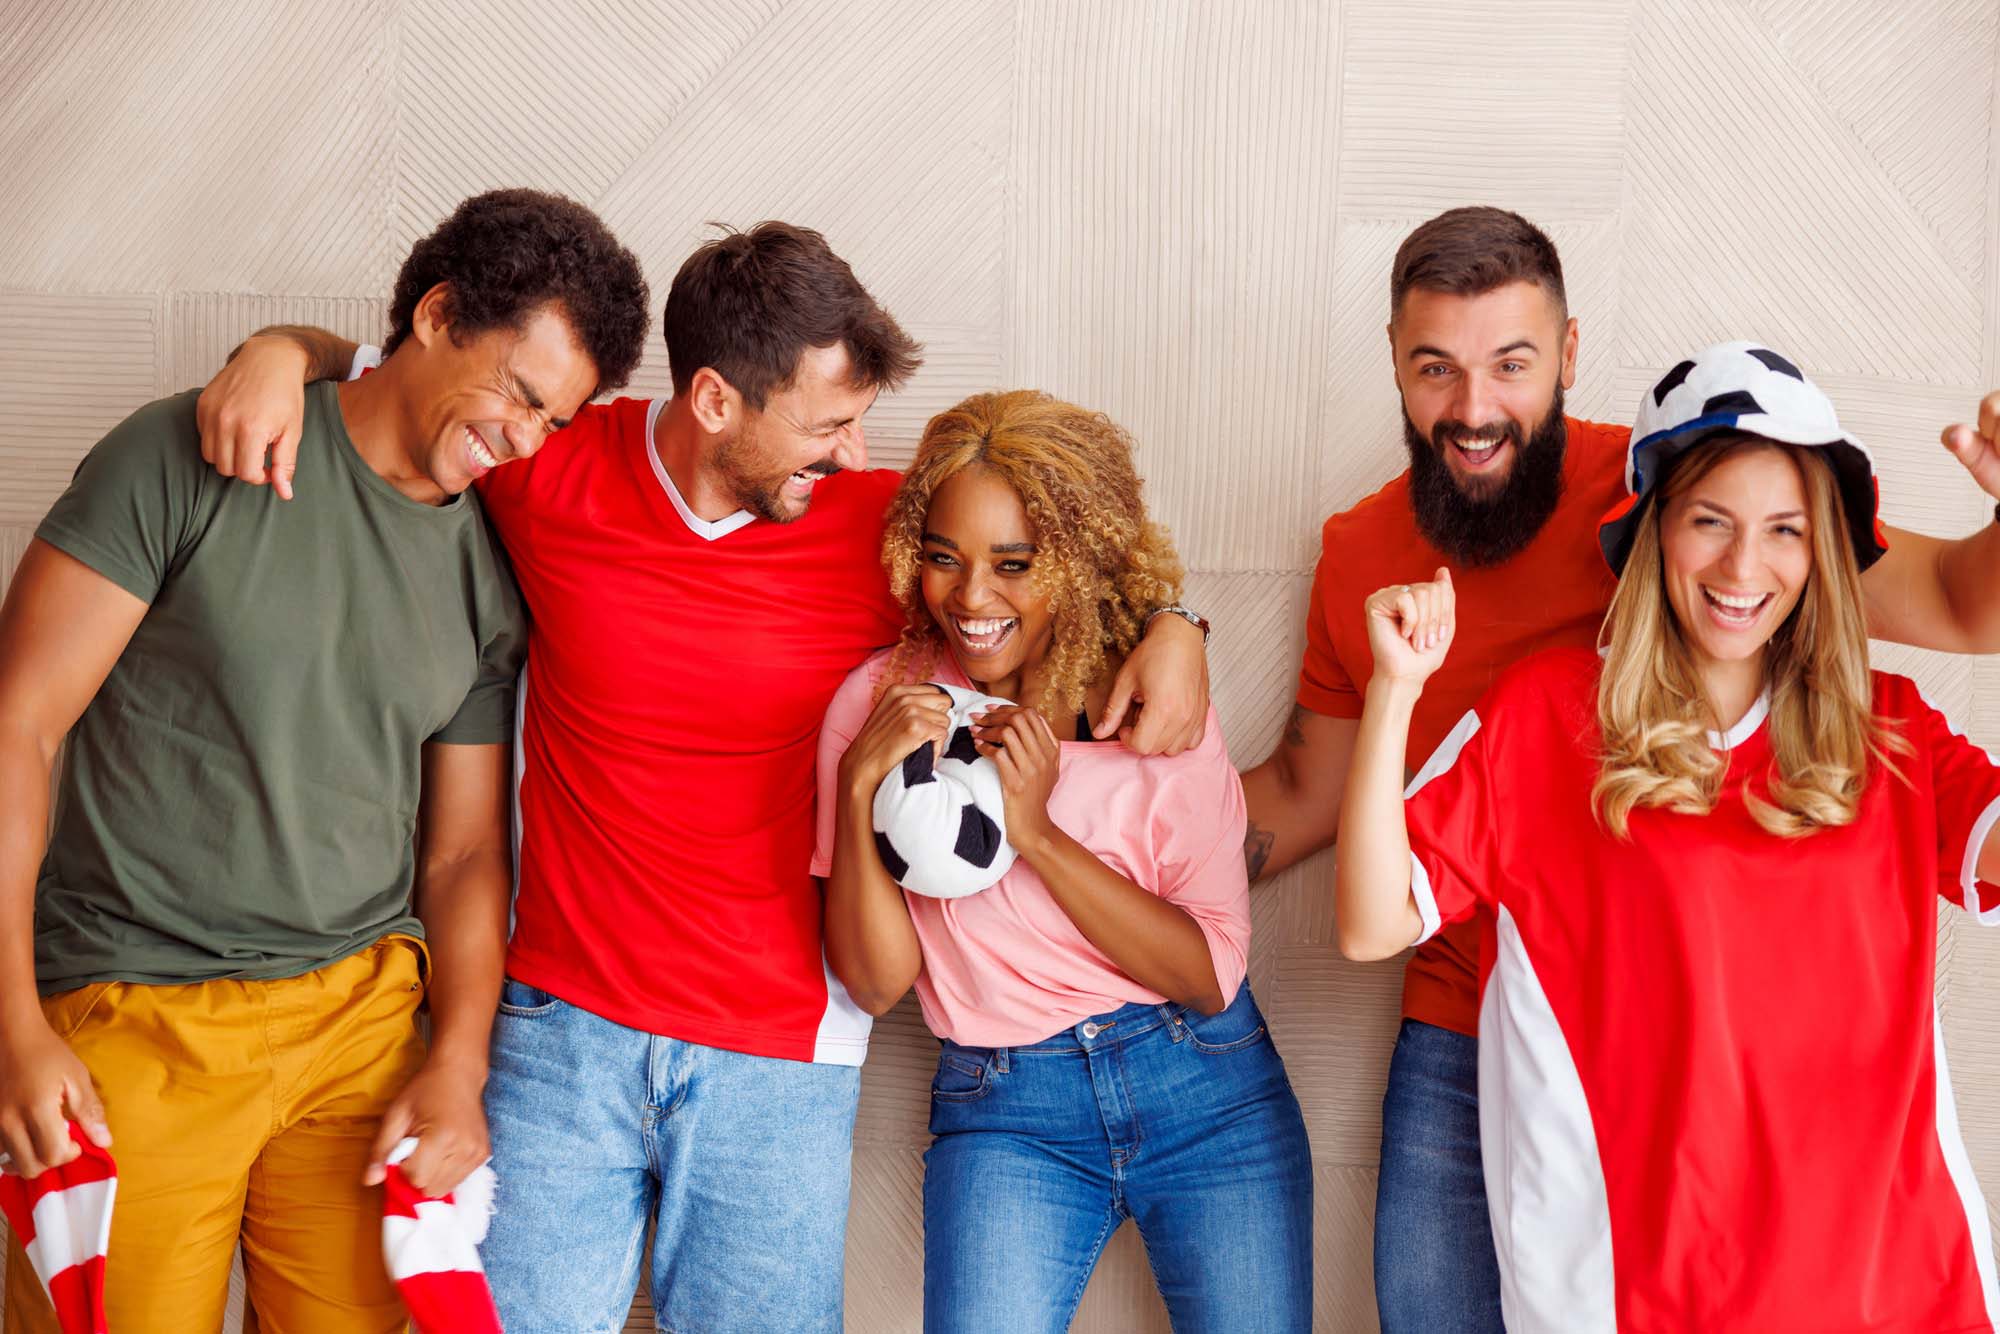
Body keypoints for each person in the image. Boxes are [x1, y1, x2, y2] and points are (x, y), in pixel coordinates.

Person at [194, 223, 1212, 1333]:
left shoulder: (878, 531)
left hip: (777, 1052)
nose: (855, 454)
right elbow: (407, 386)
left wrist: (1173, 621)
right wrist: (275, 350)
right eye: (826, 424)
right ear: (718, 401)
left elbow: (1045, 563)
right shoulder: (547, 465)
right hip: (558, 1029)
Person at [1238, 206, 2000, 1331]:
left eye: (1510, 362)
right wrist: (1097, 822)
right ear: (1395, 365)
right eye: (1435, 368)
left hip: (1736, 1092)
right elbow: (1306, 794)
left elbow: (1939, 599)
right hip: (1479, 1012)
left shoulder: (1674, 471)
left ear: (1568, 353)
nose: (1473, 406)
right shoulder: (1373, 564)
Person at [0, 188, 650, 1332]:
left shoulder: (484, 576)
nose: (525, 442)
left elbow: (457, 855)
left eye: (555, 421)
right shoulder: (189, 453)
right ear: (439, 315)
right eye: (520, 393)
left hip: (358, 1028)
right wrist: (12, 1022)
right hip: (136, 1010)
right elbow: (19, 728)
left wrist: (455, 1059)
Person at [813, 390, 1311, 1332]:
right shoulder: (883, 705)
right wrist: (855, 787)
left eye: (1014, 564)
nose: (970, 598)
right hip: (1006, 1110)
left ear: (1076, 565)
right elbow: (875, 984)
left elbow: (1207, 975)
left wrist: (1034, 830)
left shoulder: (1153, 709)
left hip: (1205, 1088)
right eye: (943, 558)